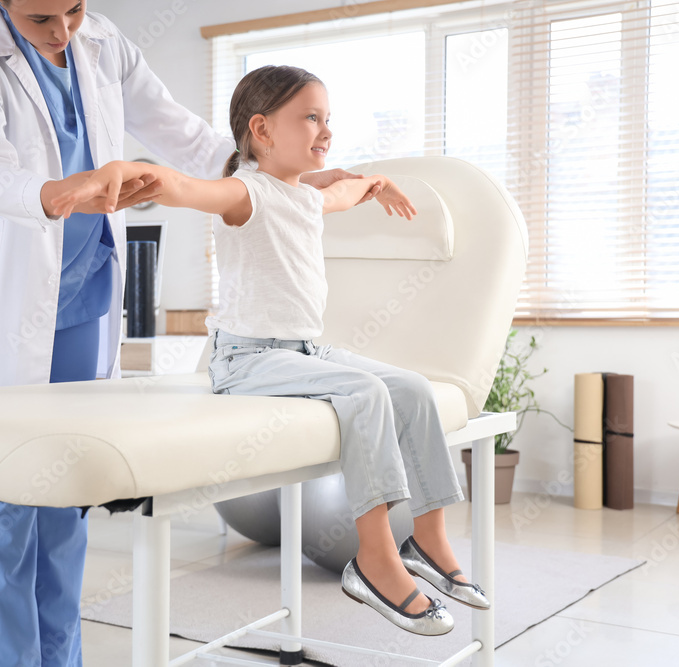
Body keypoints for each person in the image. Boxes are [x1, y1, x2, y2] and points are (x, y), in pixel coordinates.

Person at [0, 1, 377, 663]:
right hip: (7, 292)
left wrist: (288, 177)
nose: (63, 32)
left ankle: (61, 657)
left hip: (86, 293)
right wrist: (62, 192)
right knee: (2, 500)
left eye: (74, 10)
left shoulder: (104, 42)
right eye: (39, 20)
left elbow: (184, 134)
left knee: (66, 492)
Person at [51, 64, 490, 637]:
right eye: (311, 118)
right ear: (261, 129)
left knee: (408, 386)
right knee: (365, 392)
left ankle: (427, 539)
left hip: (305, 349)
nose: (325, 131)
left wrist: (375, 183)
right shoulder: (245, 192)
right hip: (247, 358)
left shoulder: (304, 197)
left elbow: (343, 191)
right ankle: (374, 561)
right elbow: (182, 187)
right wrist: (121, 171)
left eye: (328, 119)